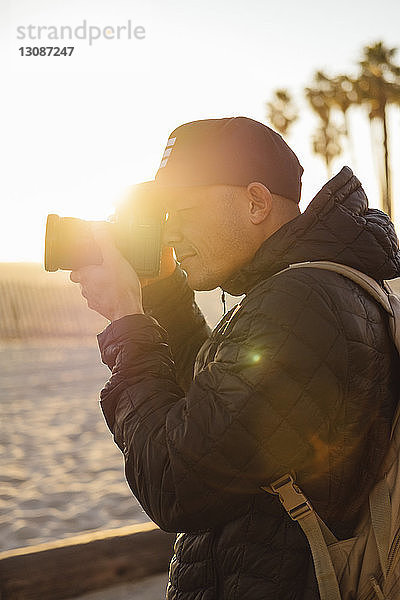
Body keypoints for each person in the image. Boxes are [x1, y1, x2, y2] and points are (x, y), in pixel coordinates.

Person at [70, 117, 400, 599]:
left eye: (181, 211)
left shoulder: (300, 301)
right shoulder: (317, 288)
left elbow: (175, 483)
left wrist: (126, 319)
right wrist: (163, 292)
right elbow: (216, 414)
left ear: (256, 202)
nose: (171, 232)